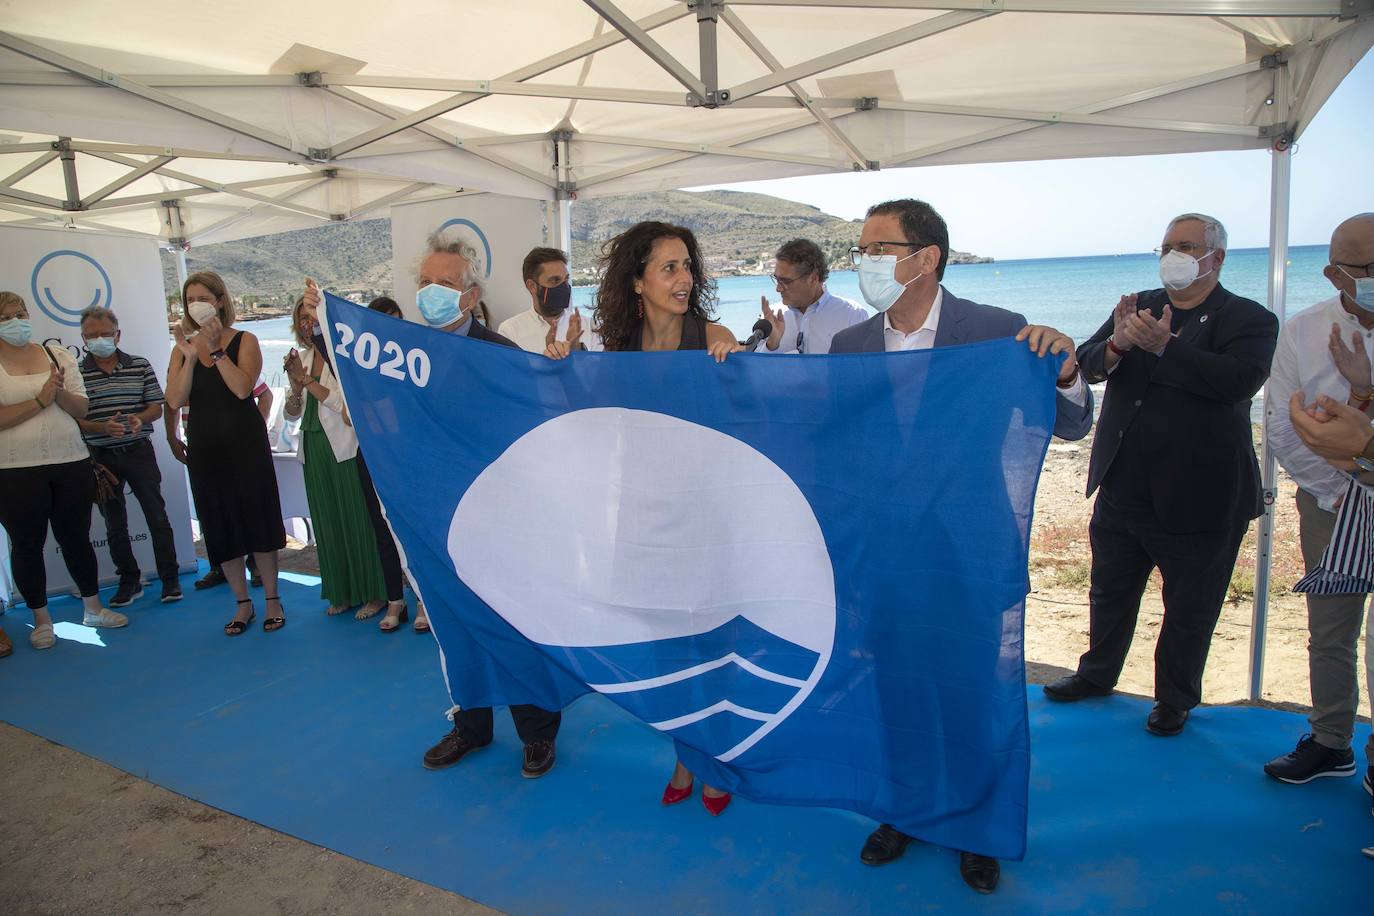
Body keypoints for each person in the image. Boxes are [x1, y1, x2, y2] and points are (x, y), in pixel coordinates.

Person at [829, 199, 1091, 895]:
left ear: (927, 257)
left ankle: (976, 823)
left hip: (968, 547)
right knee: (897, 688)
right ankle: (904, 810)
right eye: (862, 248)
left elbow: (1068, 425)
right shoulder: (849, 346)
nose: (866, 263)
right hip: (883, 554)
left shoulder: (997, 333)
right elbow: (829, 445)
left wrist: (1064, 371)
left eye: (880, 248)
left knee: (975, 690)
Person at [1044, 213, 1279, 735]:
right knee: (1108, 591)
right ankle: (1096, 674)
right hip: (1123, 485)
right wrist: (1120, 344)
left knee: (1189, 609)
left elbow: (1238, 382)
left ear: (1215, 258)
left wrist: (1164, 347)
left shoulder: (1249, 318)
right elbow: (1087, 363)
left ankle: (1174, 699)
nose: (1172, 253)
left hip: (1203, 498)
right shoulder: (1141, 305)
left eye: (1186, 245)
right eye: (1167, 245)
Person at [546, 221, 741, 815]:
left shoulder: (714, 337)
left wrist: (738, 368)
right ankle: (687, 749)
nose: (685, 279)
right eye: (669, 268)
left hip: (704, 521)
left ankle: (714, 758)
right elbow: (592, 423)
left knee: (708, 642)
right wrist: (565, 365)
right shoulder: (618, 353)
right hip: (642, 518)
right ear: (637, 282)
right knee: (664, 642)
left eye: (688, 267)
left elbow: (747, 422)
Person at [409, 228, 563, 778]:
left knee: (514, 622)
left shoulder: (500, 357)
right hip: (434, 517)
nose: (432, 291)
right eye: (425, 282)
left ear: (470, 296)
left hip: (498, 517)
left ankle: (537, 733)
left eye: (445, 283)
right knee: (457, 625)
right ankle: (470, 725)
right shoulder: (404, 356)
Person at [1263, 213, 1374, 785]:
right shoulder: (1305, 330)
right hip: (1330, 504)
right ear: (1336, 273)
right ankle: (1332, 740)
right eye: (1370, 268)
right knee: (1330, 629)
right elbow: (1284, 424)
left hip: (1352, 485)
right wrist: (1345, 486)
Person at [0, 291, 126, 651]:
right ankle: (42, 620)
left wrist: (56, 396)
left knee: (77, 538)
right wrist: (38, 399)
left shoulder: (56, 354)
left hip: (70, 460)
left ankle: (93, 608)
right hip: (14, 470)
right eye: (6, 317)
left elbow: (82, 407)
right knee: (27, 545)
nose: (16, 321)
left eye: (20, 313)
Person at [164, 272, 287, 636]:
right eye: (189, 299)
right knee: (220, 523)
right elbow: (173, 399)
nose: (195, 305)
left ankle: (272, 598)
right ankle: (241, 603)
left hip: (246, 447)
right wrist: (189, 357)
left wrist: (216, 350)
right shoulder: (181, 348)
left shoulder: (245, 340)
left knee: (258, 520)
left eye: (202, 297)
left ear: (219, 300)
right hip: (204, 449)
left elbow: (242, 389)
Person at [282, 291, 388, 620]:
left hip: (345, 447)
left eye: (312, 316)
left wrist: (307, 380)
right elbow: (290, 413)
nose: (306, 324)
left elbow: (345, 405)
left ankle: (374, 592)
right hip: (313, 447)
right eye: (302, 318)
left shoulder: (342, 354)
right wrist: (296, 385)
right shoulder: (300, 356)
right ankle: (341, 590)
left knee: (357, 519)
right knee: (328, 520)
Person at [75, 306, 182, 607]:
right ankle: (129, 580)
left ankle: (170, 579)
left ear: (117, 334)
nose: (99, 339)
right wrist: (100, 427)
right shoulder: (77, 373)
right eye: (91, 335)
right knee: (114, 522)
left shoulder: (139, 365)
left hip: (138, 451)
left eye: (105, 334)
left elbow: (156, 407)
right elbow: (73, 418)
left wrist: (139, 418)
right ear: (83, 338)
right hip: (100, 457)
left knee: (156, 515)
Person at [757, 238, 867, 355]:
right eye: (777, 280)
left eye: (786, 282)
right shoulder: (771, 318)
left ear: (813, 278)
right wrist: (772, 345)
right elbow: (757, 369)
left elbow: (864, 367)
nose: (778, 288)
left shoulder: (852, 315)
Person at [498, 247, 597, 353]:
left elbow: (599, 368)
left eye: (566, 279)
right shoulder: (510, 331)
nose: (564, 286)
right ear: (532, 286)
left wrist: (576, 350)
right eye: (555, 280)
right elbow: (509, 369)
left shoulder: (587, 326)